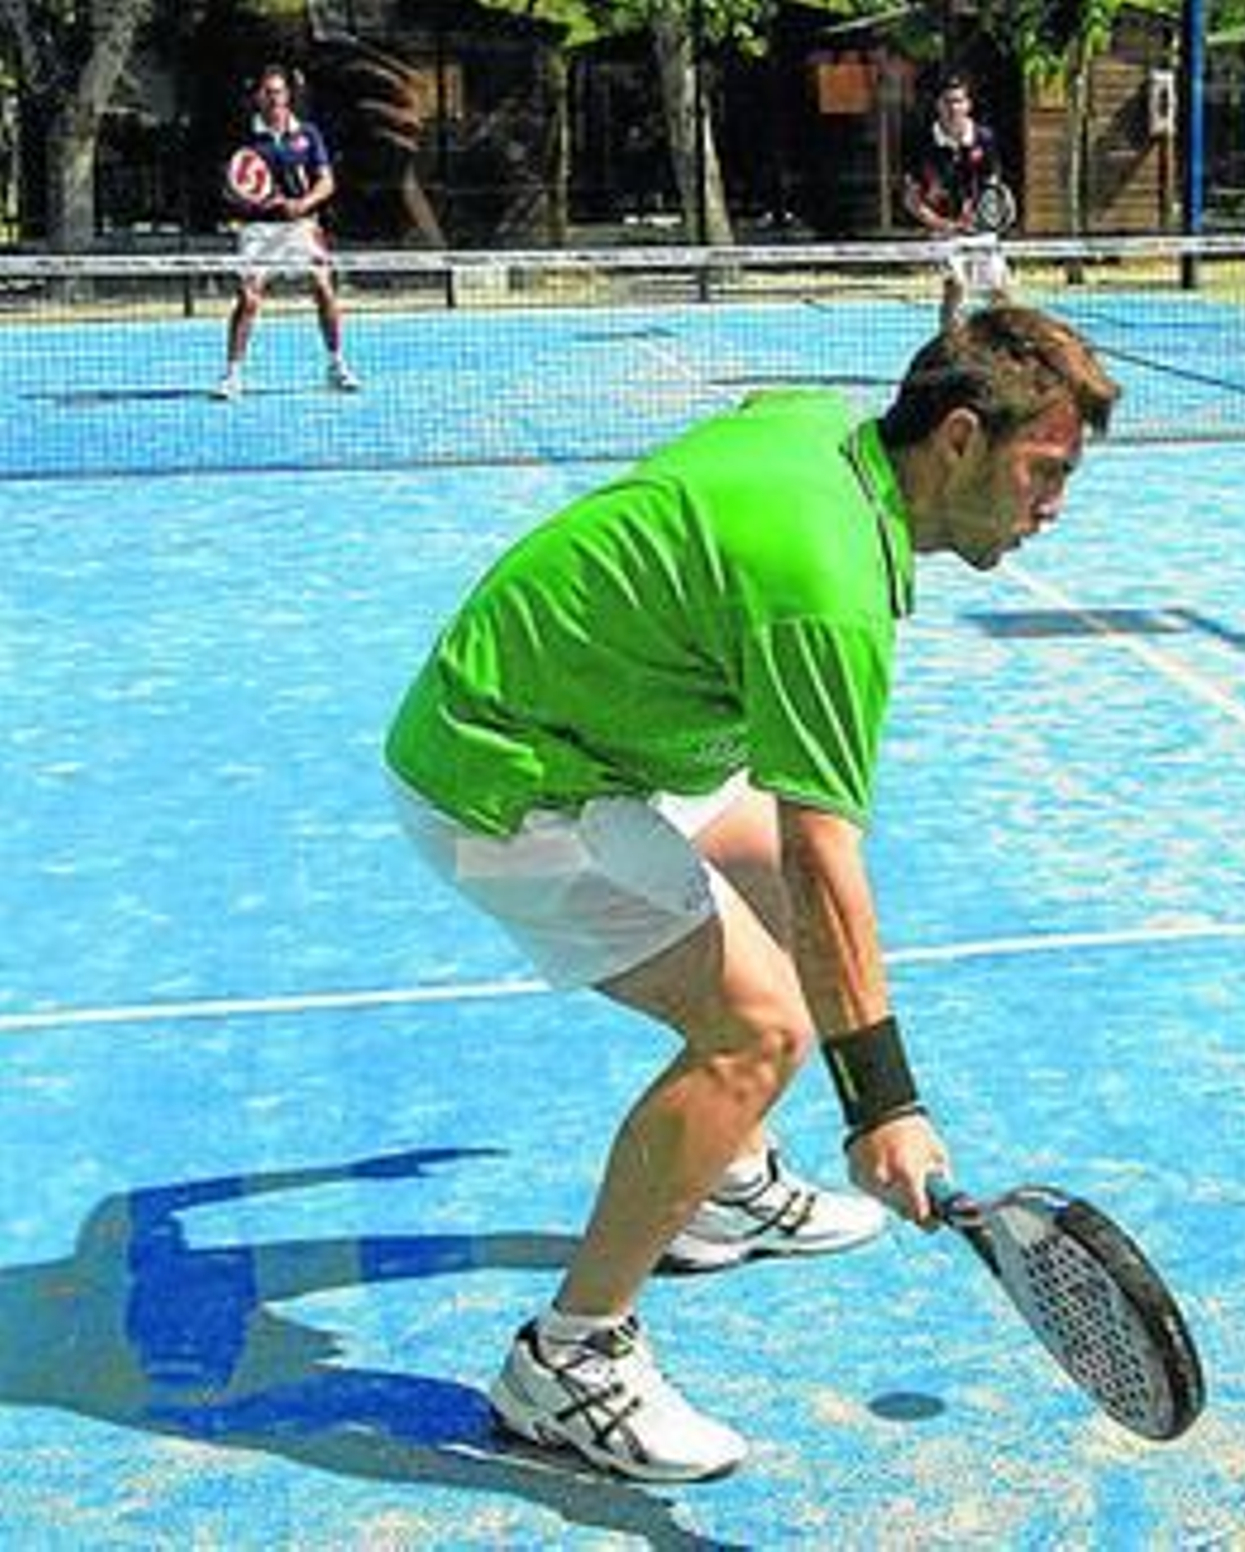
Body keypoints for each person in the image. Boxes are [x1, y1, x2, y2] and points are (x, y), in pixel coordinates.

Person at [385, 306, 1120, 1483]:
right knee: (761, 1029)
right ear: (960, 440)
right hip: (506, 777)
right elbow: (831, 863)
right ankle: (568, 1360)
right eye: (1045, 471)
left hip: (597, 728)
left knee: (769, 882)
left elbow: (737, 441)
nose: (1055, 506)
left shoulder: (818, 430)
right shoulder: (825, 585)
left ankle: (724, 1183)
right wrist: (882, 1107)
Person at [214, 64, 359, 401]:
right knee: (248, 299)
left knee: (324, 288)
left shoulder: (308, 134)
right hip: (258, 231)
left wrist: (304, 203)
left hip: (301, 227)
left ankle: (336, 364)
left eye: (278, 91)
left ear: (287, 95)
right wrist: (247, 199)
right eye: (267, 92)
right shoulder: (244, 137)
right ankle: (233, 374)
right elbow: (230, 185)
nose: (273, 98)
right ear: (257, 97)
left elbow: (327, 182)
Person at [903, 74, 1013, 331]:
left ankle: (1005, 349)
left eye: (959, 101)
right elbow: (911, 199)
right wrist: (943, 225)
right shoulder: (921, 141)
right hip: (942, 231)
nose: (953, 108)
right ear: (938, 106)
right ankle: (949, 347)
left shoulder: (984, 139)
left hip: (981, 230)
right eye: (947, 102)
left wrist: (981, 216)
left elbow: (992, 186)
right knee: (957, 287)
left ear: (968, 105)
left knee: (1000, 293)